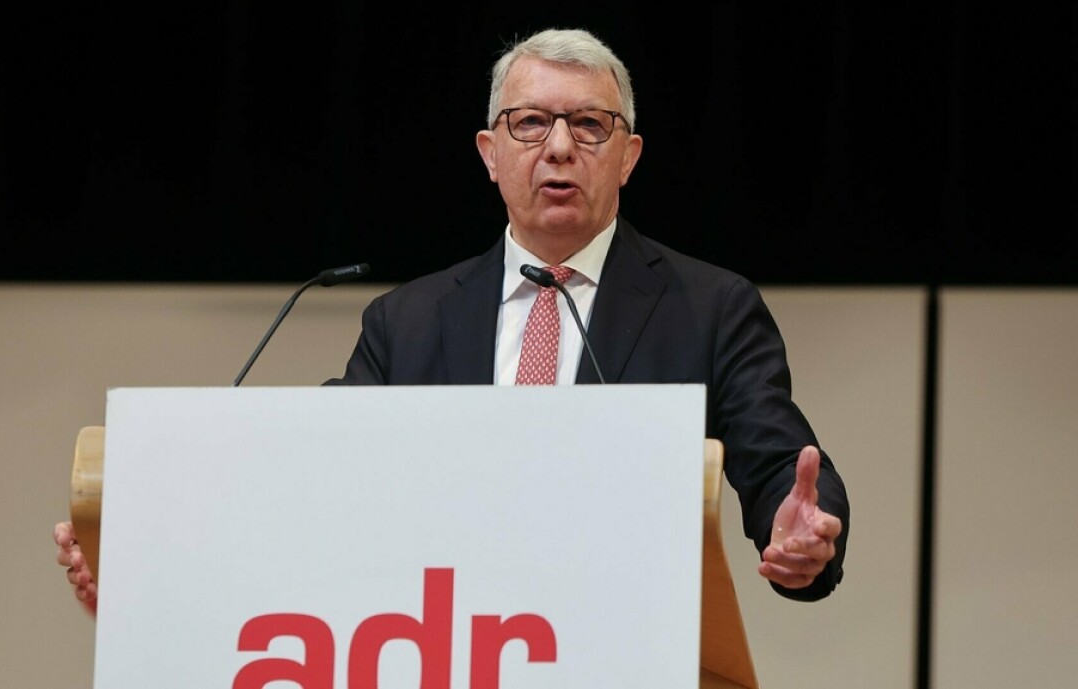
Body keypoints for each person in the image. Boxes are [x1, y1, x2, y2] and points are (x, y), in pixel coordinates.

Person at [56, 27, 847, 612]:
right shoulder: (408, 321)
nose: (559, 147)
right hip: (440, 643)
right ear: (489, 152)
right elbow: (306, 475)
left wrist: (801, 526)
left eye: (589, 125)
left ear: (629, 156)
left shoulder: (710, 307)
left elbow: (781, 464)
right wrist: (152, 562)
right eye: (530, 123)